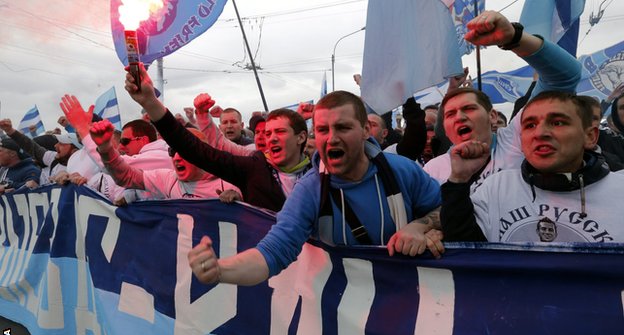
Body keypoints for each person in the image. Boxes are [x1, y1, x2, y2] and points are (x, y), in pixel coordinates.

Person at [186, 90, 444, 286]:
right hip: (349, 309)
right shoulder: (310, 189)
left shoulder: (401, 170)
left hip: (414, 298)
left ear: (366, 130)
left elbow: (447, 211)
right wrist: (222, 271)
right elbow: (273, 251)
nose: (332, 138)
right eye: (322, 130)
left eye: (342, 127)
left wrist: (420, 226)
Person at [424, 11, 582, 193]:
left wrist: (514, 38)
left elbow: (564, 76)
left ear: (492, 116)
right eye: (450, 114)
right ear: (444, 126)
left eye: (469, 108)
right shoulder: (432, 171)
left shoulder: (517, 138)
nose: (459, 117)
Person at [440, 91, 624, 243]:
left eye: (558, 122)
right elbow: (467, 254)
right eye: (530, 125)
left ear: (590, 136)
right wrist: (458, 181)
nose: (540, 133)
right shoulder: (496, 188)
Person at [124, 69, 311, 212]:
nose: (271, 139)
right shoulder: (254, 167)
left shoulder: (320, 173)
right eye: (268, 133)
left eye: (280, 132)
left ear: (301, 137)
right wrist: (150, 102)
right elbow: (195, 149)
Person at [89, 120, 242, 201]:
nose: (176, 157)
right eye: (172, 151)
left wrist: (239, 201)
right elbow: (126, 177)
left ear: (203, 154)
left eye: (184, 152)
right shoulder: (168, 179)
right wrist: (105, 148)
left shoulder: (227, 184)